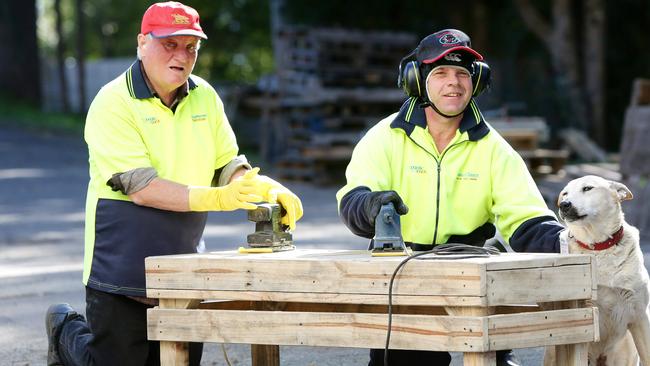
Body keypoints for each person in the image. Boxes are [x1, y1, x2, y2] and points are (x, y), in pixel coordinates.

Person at [45, 2, 303, 365]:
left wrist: (262, 187)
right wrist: (220, 198)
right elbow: (141, 188)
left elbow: (227, 163)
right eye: (170, 44)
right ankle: (63, 330)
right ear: (141, 43)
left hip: (182, 265)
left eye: (191, 47)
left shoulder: (205, 97)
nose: (182, 55)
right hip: (121, 264)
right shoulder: (113, 102)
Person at [336, 29, 564, 366]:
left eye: (461, 73)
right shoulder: (384, 138)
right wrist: (370, 205)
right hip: (403, 272)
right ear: (416, 80)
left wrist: (571, 242)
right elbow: (353, 201)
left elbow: (527, 219)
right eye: (440, 73)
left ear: (477, 81)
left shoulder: (494, 149)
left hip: (472, 271)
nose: (453, 83)